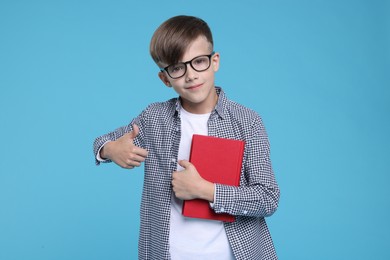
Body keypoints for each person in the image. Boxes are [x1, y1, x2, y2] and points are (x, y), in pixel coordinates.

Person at [93, 15, 280, 260]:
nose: (190, 75)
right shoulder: (154, 118)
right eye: (178, 68)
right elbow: (103, 142)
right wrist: (110, 149)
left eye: (199, 62)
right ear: (165, 78)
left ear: (215, 61)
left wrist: (205, 190)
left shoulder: (247, 122)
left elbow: (267, 198)